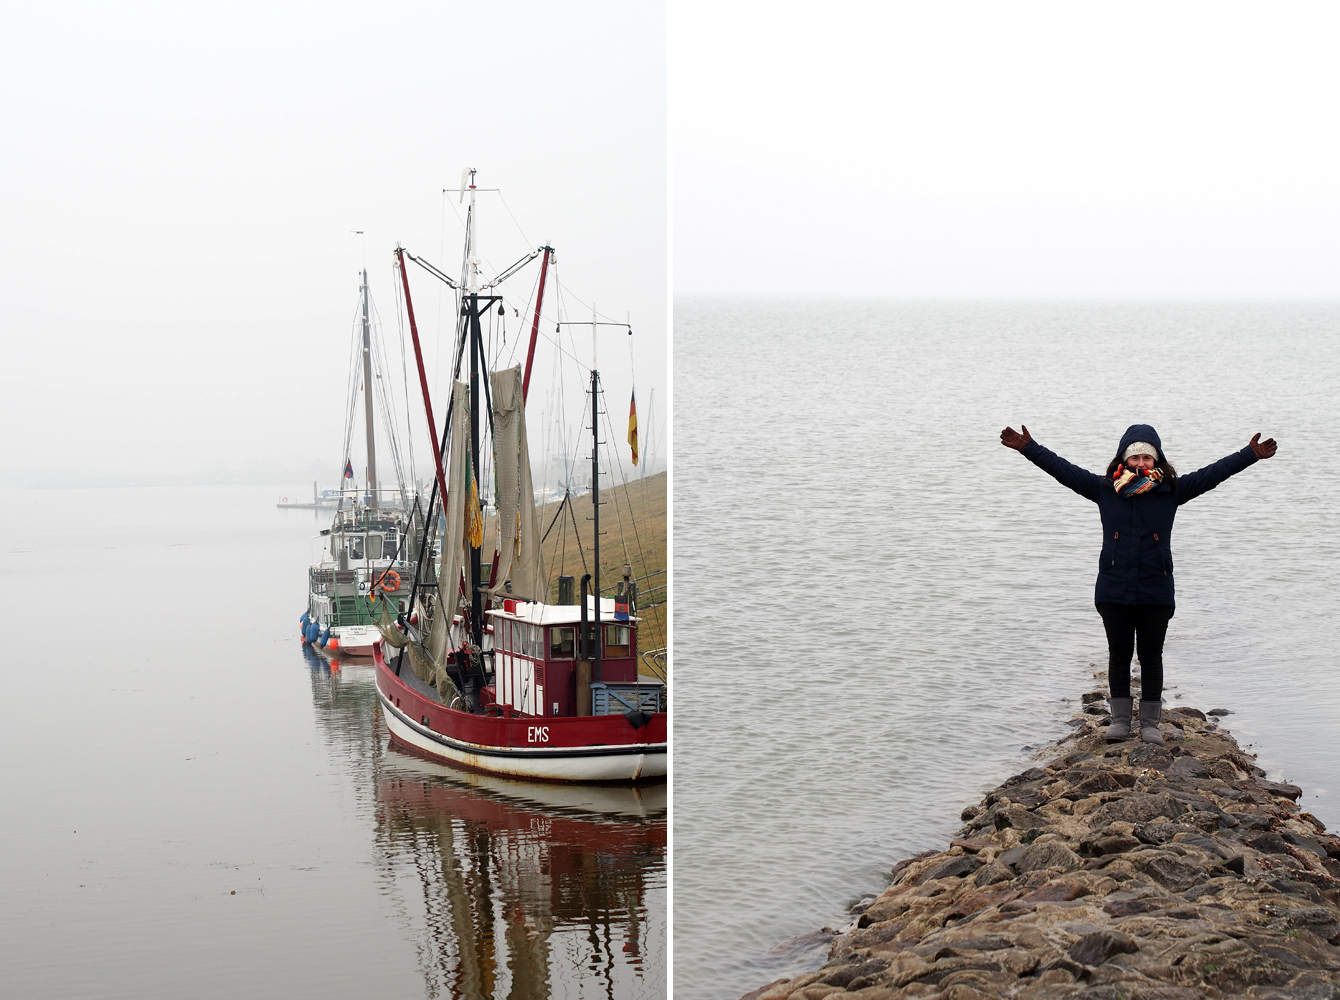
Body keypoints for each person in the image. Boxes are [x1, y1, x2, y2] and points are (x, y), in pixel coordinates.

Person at [999, 422, 1277, 745]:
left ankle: (1149, 725)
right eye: (1135, 458)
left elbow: (1213, 474)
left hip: (1155, 589)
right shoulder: (1104, 490)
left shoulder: (1172, 491)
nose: (1141, 463)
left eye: (1147, 458)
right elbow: (1063, 471)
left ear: (1157, 460)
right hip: (1114, 588)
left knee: (1150, 656)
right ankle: (1119, 721)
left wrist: (1250, 454)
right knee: (1118, 655)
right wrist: (1028, 448)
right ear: (1124, 459)